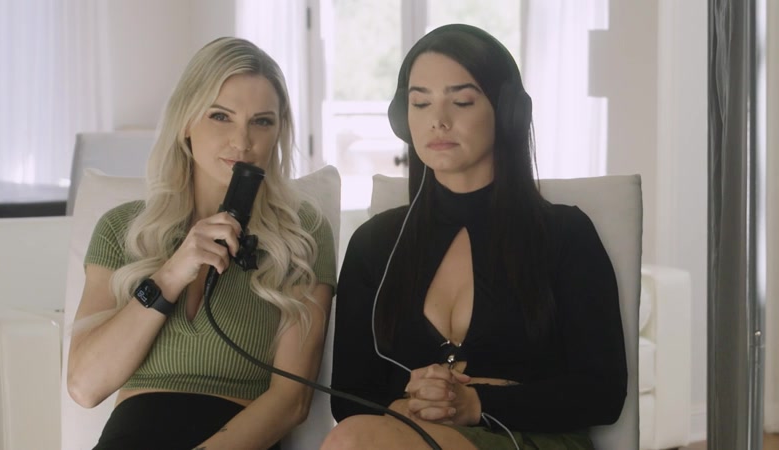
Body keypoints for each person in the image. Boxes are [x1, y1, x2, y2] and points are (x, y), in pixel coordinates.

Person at [324, 24, 626, 450]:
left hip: (532, 439)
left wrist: (476, 403)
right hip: (406, 434)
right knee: (353, 437)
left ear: (508, 113)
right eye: (420, 103)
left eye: (462, 101)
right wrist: (414, 400)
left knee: (353, 442)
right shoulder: (374, 244)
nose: (438, 120)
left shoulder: (565, 235)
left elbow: (603, 392)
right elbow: (348, 396)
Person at [66, 37, 336, 450]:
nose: (242, 141)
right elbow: (85, 386)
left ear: (279, 131)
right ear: (186, 122)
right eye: (221, 116)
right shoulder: (123, 229)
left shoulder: (302, 236)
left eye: (262, 122)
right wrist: (171, 274)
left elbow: (291, 401)